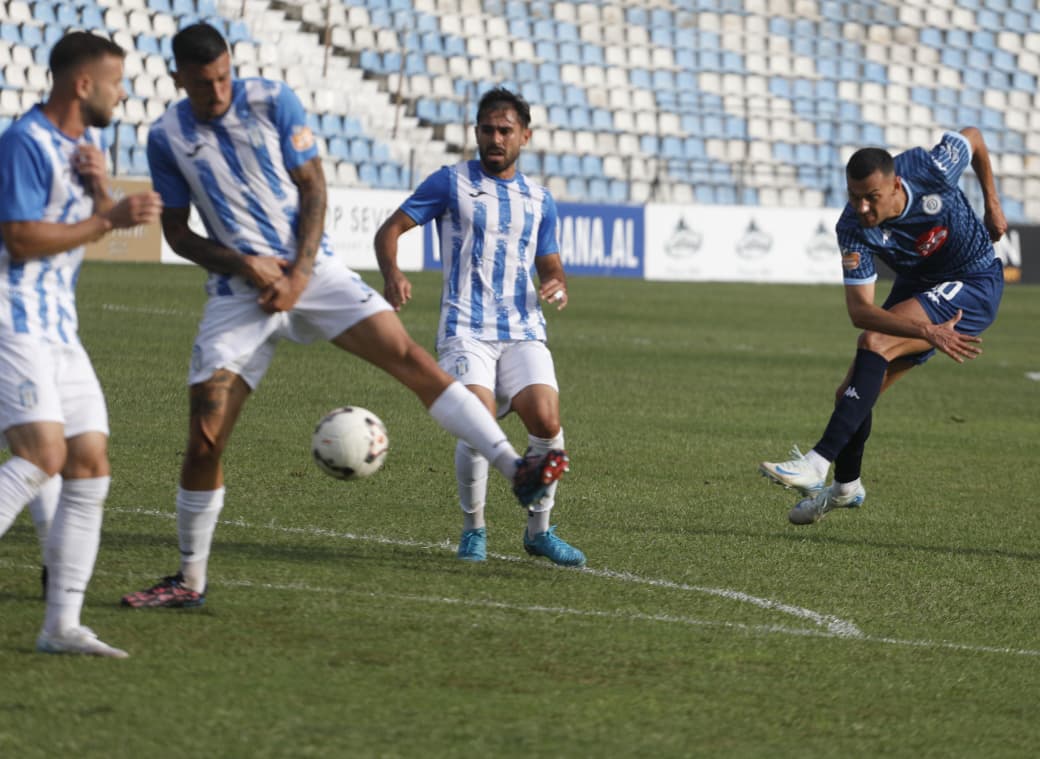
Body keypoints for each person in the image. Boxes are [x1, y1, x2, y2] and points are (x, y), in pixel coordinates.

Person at [120, 25, 569, 609]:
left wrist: (298, 274)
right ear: (178, 78)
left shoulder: (270, 100)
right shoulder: (167, 137)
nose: (218, 92)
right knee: (205, 436)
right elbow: (178, 233)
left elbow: (313, 187)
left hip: (314, 272)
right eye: (204, 85)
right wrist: (245, 265)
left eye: (225, 76)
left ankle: (516, 471)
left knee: (409, 359)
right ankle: (188, 579)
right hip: (238, 292)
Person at [0, 31, 163, 656]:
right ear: (83, 84)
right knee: (43, 455)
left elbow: (92, 220)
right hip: (13, 317)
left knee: (89, 460)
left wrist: (101, 192)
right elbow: (19, 238)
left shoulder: (88, 142)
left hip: (59, 325)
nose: (124, 94)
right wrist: (109, 218)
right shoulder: (24, 142)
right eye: (117, 83)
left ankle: (60, 626)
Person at [375, 88, 586, 567]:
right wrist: (393, 272)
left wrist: (556, 282)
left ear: (524, 137)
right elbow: (389, 230)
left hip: (523, 328)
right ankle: (475, 530)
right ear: (475, 132)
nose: (495, 138)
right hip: (465, 326)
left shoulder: (538, 200)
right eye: (487, 129)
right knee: (478, 418)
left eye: (505, 131)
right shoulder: (449, 183)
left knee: (548, 423)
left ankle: (539, 531)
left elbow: (550, 264)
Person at [759, 127, 1007, 525]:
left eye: (871, 198)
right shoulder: (854, 230)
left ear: (895, 186)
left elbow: (974, 137)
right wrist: (927, 331)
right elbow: (860, 311)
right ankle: (845, 489)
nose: (861, 208)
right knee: (850, 395)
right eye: (853, 197)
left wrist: (993, 203)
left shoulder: (931, 168)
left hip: (974, 279)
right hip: (923, 283)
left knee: (875, 343)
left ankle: (816, 462)